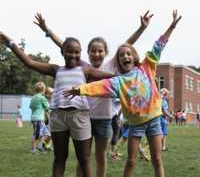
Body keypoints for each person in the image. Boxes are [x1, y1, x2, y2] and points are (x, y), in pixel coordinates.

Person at [34, 10, 153, 177]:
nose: (97, 54)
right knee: (84, 158)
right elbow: (64, 46)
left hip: (104, 120)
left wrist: (142, 28)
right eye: (93, 51)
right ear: (87, 53)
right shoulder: (83, 67)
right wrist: (47, 30)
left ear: (105, 53)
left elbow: (126, 45)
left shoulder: (111, 66)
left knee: (101, 158)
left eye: (100, 51)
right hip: (85, 119)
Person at [63, 10, 182, 177]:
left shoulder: (147, 66)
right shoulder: (118, 81)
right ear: (118, 62)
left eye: (128, 54)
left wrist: (171, 26)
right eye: (121, 56)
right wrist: (79, 89)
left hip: (154, 120)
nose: (125, 56)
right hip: (135, 124)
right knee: (131, 161)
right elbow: (98, 86)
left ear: (134, 57)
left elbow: (159, 45)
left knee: (157, 159)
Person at [0, 32, 116, 177]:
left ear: (80, 53)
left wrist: (134, 75)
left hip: (79, 116)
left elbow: (112, 78)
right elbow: (29, 63)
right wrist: (10, 43)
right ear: (62, 52)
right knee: (60, 159)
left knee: (84, 159)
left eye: (76, 52)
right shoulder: (56, 69)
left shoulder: (85, 70)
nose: (73, 55)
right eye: (69, 51)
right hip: (58, 118)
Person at [29, 82, 50, 153]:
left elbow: (31, 106)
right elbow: (48, 107)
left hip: (35, 118)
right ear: (43, 90)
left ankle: (40, 146)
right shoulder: (42, 98)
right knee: (37, 135)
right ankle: (33, 149)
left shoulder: (33, 97)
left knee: (47, 134)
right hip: (39, 119)